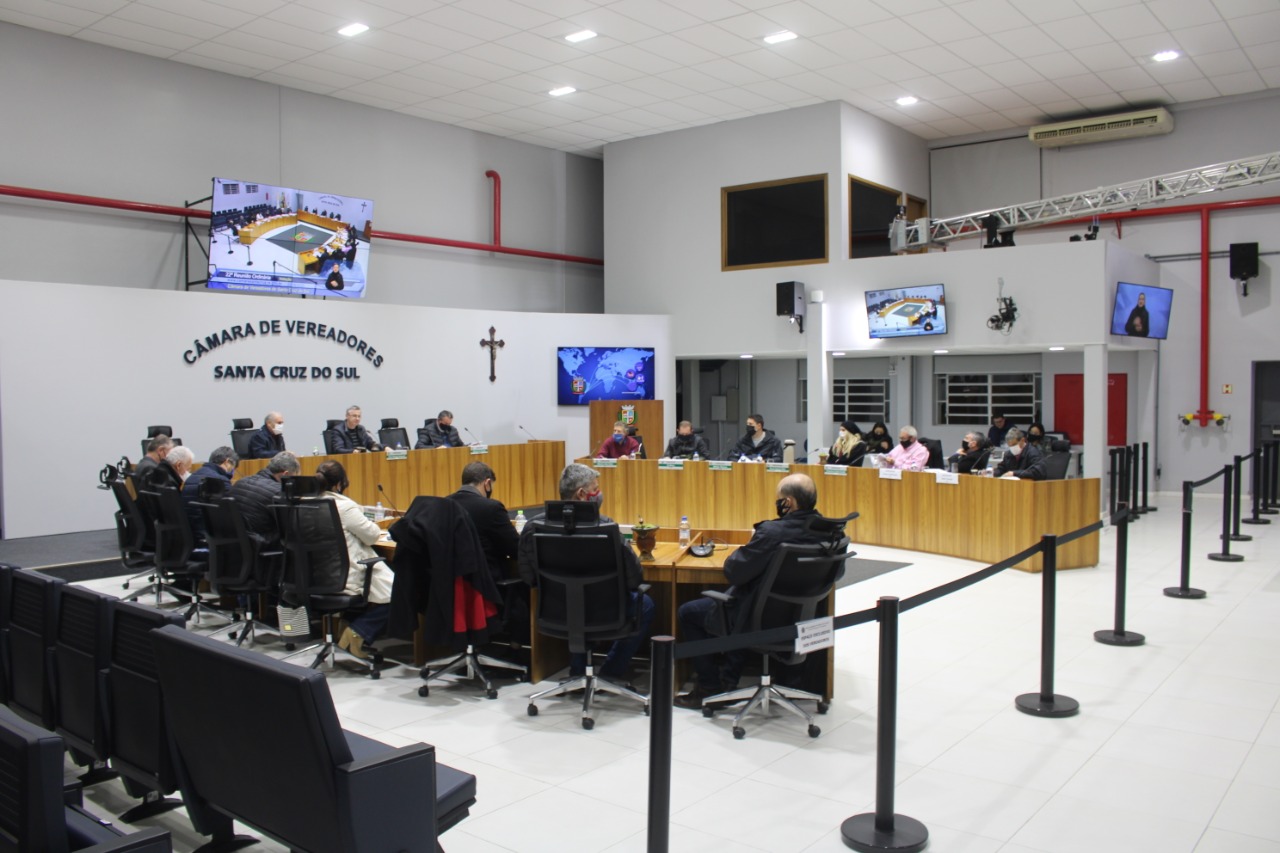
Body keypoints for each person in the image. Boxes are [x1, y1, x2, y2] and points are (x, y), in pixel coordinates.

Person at [675, 473, 830, 709]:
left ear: (788, 502)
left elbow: (734, 572)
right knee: (743, 601)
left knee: (690, 612)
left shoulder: (773, 533)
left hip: (761, 620)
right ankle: (737, 679)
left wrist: (749, 547)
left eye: (779, 499)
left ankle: (709, 687)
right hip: (807, 619)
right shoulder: (830, 531)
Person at [517, 463, 654, 682]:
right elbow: (635, 579)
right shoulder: (606, 527)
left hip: (556, 609)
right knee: (644, 604)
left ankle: (578, 671)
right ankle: (611, 672)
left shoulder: (534, 526)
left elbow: (529, 577)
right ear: (582, 494)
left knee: (574, 600)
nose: (599, 493)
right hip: (606, 610)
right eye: (595, 489)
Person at [313, 461, 393, 659]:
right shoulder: (344, 507)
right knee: (399, 592)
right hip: (346, 575)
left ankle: (346, 628)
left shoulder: (308, 503)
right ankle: (357, 632)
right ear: (339, 484)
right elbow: (372, 536)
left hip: (317, 575)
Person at [449, 461, 519, 585]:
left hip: (454, 581)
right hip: (487, 582)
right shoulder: (492, 508)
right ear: (487, 483)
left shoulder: (445, 504)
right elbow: (515, 548)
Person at [229, 451, 300, 547]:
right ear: (286, 474)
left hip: (235, 542)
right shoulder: (278, 491)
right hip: (260, 544)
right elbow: (292, 524)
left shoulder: (240, 482)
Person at [181, 446, 238, 543]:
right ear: (227, 462)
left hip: (191, 534)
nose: (233, 472)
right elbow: (231, 512)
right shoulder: (220, 480)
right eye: (234, 468)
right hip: (209, 537)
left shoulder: (193, 476)